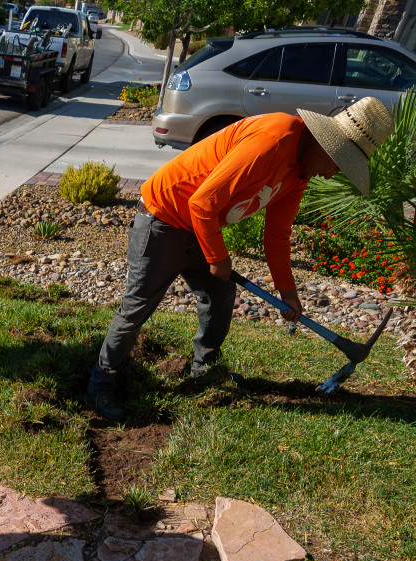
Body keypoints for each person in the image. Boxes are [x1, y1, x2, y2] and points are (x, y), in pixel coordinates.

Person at [87, 97, 395, 419]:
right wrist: (218, 257)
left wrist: (288, 293)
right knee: (139, 305)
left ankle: (204, 369)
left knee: (220, 293)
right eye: (337, 164)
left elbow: (276, 237)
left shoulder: (299, 173)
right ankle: (102, 384)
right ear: (326, 145)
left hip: (197, 226)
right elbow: (202, 203)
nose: (332, 175)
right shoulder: (274, 140)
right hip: (164, 218)